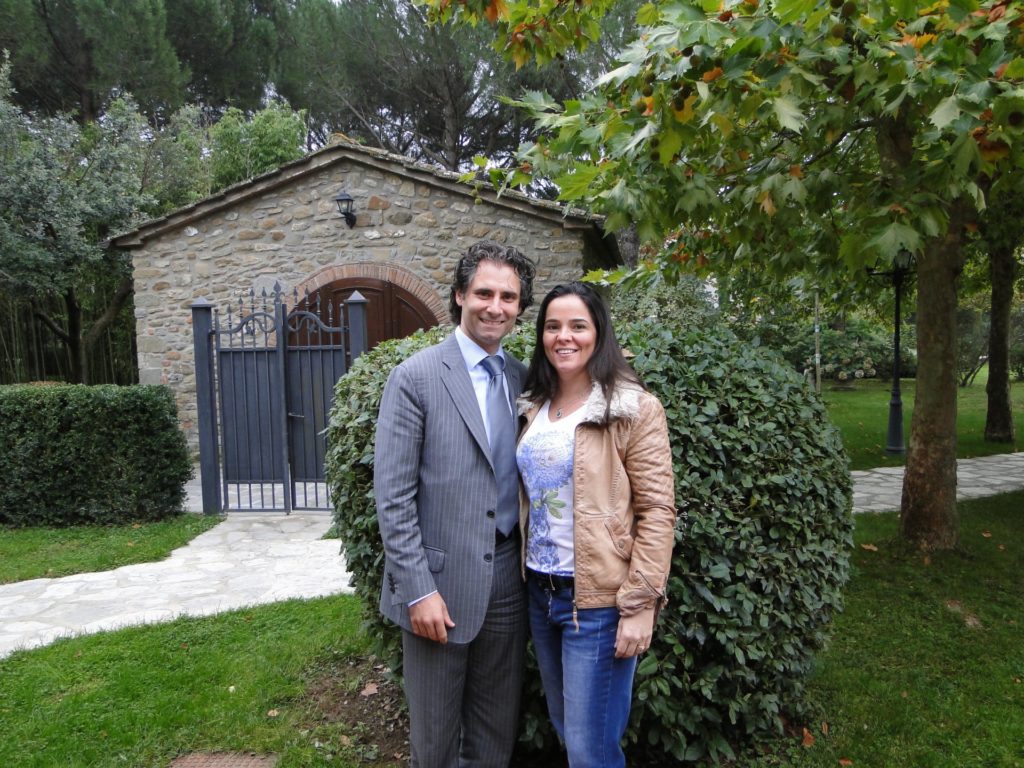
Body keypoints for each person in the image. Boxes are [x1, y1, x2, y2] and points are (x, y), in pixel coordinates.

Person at [374, 240, 536, 768]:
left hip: (508, 580)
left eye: (508, 297)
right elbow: (393, 497)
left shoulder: (521, 380)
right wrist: (418, 590)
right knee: (436, 743)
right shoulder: (416, 377)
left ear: (519, 307)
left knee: (494, 736)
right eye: (484, 292)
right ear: (460, 295)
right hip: (436, 589)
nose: (496, 306)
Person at [515, 282, 676, 768]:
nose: (564, 337)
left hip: (600, 601)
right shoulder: (533, 406)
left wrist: (642, 603)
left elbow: (658, 511)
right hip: (541, 593)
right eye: (552, 326)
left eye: (578, 326)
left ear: (598, 333)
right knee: (574, 734)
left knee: (589, 749)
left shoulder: (631, 408)